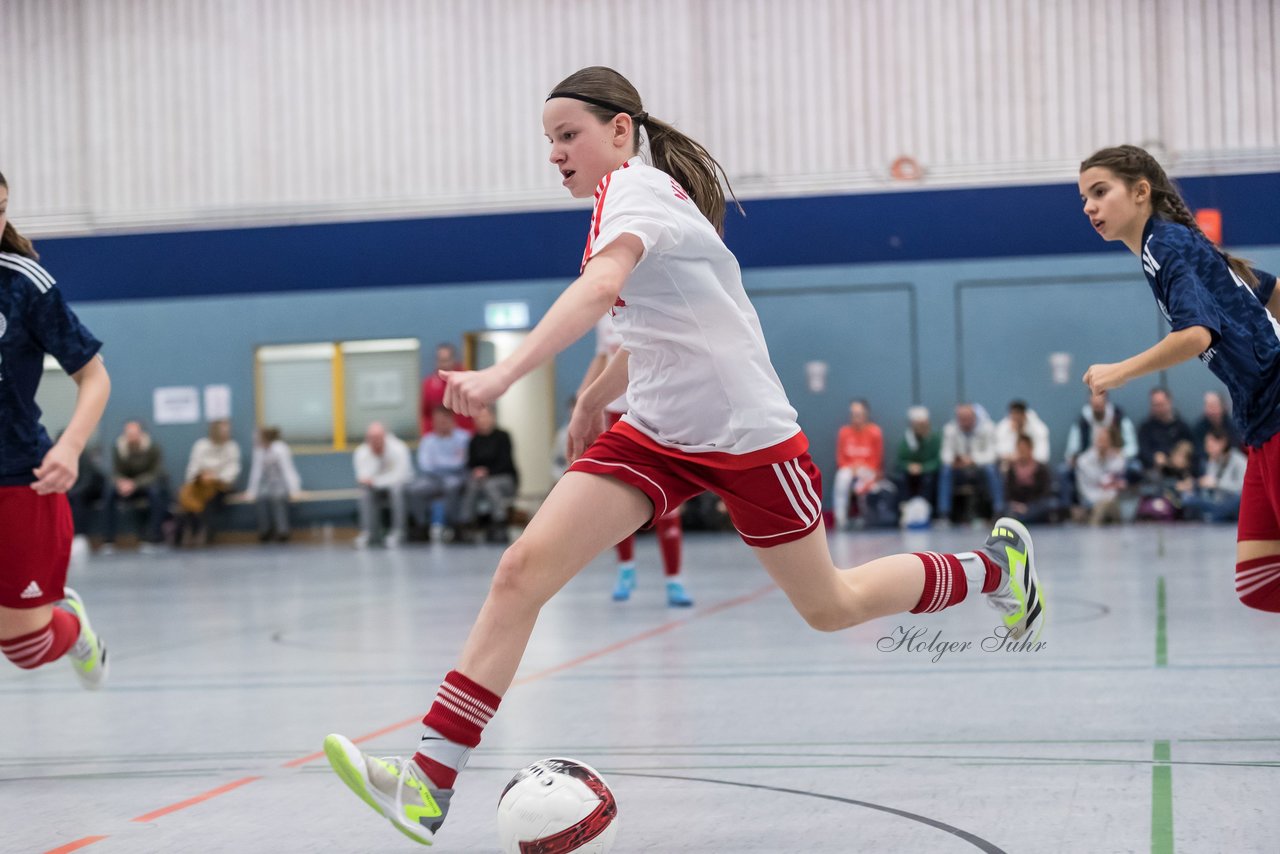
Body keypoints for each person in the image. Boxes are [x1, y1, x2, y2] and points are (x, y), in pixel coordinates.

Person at [322, 66, 1045, 846]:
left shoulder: (635, 193)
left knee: (830, 605)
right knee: (520, 572)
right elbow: (658, 326)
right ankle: (427, 785)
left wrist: (502, 375)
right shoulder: (623, 200)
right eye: (550, 141)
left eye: (570, 135)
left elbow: (601, 295)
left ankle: (997, 571)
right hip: (659, 434)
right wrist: (595, 396)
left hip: (746, 437)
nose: (557, 153)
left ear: (621, 131)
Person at [1079, 143, 1280, 609]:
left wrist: (1120, 371)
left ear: (1140, 192)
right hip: (1259, 420)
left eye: (1100, 191)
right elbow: (1266, 290)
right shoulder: (1173, 242)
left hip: (1275, 403)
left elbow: (1196, 335)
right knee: (1258, 584)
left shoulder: (1163, 244)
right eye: (1084, 198)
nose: (1089, 206)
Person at [0, 170, 110, 688]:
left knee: (28, 648)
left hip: (19, 476)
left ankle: (71, 626)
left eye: (0, 208)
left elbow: (94, 377)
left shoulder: (24, 283)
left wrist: (70, 446)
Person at [581, 312, 691, 605]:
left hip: (654, 412)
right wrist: (585, 397)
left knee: (668, 504)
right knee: (615, 497)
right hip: (615, 414)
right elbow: (603, 358)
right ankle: (626, 569)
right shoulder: (604, 317)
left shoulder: (651, 305)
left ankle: (674, 580)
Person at [1060, 387, 1139, 508]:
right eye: (1094, 405)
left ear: (1106, 402)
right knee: (1064, 470)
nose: (1097, 407)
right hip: (1089, 462)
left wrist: (1119, 453)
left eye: (1100, 404)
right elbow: (1072, 449)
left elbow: (1132, 447)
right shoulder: (1082, 421)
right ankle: (1070, 509)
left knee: (1135, 468)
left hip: (1115, 460)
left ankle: (1126, 507)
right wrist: (1074, 458)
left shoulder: (1119, 417)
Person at [101, 420, 169, 552]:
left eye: (134, 433)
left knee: (156, 495)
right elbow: (115, 471)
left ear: (141, 433)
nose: (131, 436)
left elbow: (155, 472)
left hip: (145, 484)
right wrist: (121, 482)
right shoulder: (118, 447)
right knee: (108, 494)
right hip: (124, 486)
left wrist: (135, 484)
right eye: (128, 433)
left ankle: (153, 538)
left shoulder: (152, 447)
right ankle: (108, 540)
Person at [408, 406, 471, 542]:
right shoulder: (428, 440)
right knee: (415, 489)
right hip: (432, 479)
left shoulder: (463, 438)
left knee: (451, 486)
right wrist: (450, 462)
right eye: (437, 420)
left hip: (456, 477)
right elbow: (425, 465)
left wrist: (438, 462)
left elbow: (461, 462)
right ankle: (421, 526)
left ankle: (454, 526)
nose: (440, 423)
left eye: (443, 420)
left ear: (451, 420)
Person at [457, 407, 519, 544]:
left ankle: (499, 523)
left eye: (485, 417)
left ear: (493, 418)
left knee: (490, 484)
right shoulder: (474, 440)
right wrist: (476, 471)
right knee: (471, 485)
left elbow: (506, 462)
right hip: (480, 480)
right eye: (479, 418)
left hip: (504, 478)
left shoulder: (503, 437)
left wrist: (487, 472)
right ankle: (466, 524)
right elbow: (471, 463)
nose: (482, 420)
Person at [177, 419, 242, 546]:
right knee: (186, 496)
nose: (226, 433)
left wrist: (215, 477)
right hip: (199, 485)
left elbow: (233, 470)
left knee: (210, 498)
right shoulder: (201, 445)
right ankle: (189, 530)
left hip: (220, 486)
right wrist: (201, 477)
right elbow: (193, 467)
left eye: (227, 431)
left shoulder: (232, 447)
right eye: (223, 430)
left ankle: (204, 530)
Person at [938, 402, 1003, 522]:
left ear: (974, 417)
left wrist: (973, 459)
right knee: (946, 471)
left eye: (967, 418)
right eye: (961, 418)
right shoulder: (950, 429)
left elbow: (993, 454)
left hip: (979, 469)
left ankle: (998, 510)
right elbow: (945, 455)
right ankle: (944, 514)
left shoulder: (988, 428)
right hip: (959, 471)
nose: (964, 421)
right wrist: (956, 460)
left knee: (991, 469)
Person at [353, 421, 412, 549]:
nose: (375, 441)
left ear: (385, 436)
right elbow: (363, 478)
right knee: (364, 492)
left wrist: (376, 481)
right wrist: (376, 456)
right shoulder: (361, 452)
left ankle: (398, 532)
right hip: (376, 489)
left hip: (402, 487)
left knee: (396, 490)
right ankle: (369, 533)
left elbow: (399, 476)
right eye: (371, 439)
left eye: (378, 438)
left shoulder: (399, 448)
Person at [832, 399, 886, 530]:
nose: (856, 417)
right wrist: (851, 467)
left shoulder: (875, 431)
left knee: (862, 484)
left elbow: (877, 459)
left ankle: (865, 518)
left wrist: (863, 467)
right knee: (841, 479)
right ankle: (840, 519)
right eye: (853, 414)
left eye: (859, 414)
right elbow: (840, 459)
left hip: (868, 469)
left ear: (865, 414)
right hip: (849, 468)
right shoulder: (844, 432)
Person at [243, 426, 302, 542]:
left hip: (281, 482)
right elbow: (256, 472)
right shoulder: (258, 451)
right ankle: (265, 531)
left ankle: (282, 531)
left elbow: (288, 470)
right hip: (266, 483)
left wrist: (295, 490)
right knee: (261, 498)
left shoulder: (280, 449)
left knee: (278, 498)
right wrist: (251, 491)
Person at [1181, 428, 1248, 523]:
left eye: (1211, 445)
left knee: (1236, 501)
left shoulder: (1239, 460)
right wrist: (1196, 484)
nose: (1207, 448)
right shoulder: (1212, 461)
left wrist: (1217, 484)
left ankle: (1211, 516)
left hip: (1234, 503)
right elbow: (1208, 488)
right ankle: (1212, 516)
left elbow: (1243, 488)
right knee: (1188, 497)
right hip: (1216, 502)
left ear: (1222, 443)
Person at [1136, 387, 1196, 480]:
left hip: (1179, 471)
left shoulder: (1182, 426)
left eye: (1161, 404)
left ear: (1169, 402)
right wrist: (1153, 457)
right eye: (1155, 405)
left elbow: (1191, 448)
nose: (1158, 408)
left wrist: (1180, 458)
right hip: (1154, 471)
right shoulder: (1146, 428)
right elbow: (1142, 450)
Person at [1074, 425, 1129, 525]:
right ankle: (1094, 528)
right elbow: (1084, 490)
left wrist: (1107, 497)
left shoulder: (1117, 459)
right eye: (1100, 439)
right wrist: (1101, 499)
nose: (1102, 443)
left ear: (1111, 441)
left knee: (1113, 506)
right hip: (1090, 498)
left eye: (1105, 440)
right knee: (1102, 507)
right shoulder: (1084, 461)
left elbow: (1118, 484)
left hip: (1111, 499)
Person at [420, 343, 474, 435]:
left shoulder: (465, 379)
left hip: (466, 435)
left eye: (446, 360)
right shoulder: (428, 384)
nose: (443, 364)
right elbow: (425, 414)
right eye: (440, 360)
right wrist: (428, 436)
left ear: (453, 360)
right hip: (439, 438)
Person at [895, 405, 941, 509]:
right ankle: (905, 508)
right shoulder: (907, 440)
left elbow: (938, 460)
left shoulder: (934, 438)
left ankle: (925, 508)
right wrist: (909, 467)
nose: (920, 427)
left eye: (923, 424)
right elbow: (900, 461)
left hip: (928, 471)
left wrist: (923, 468)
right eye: (917, 424)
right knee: (900, 476)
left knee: (928, 478)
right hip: (911, 472)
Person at [1004, 435, 1057, 524]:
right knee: (1004, 508)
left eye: (1024, 448)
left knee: (1050, 504)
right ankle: (1025, 519)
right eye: (1020, 449)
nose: (1022, 451)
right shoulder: (1011, 470)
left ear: (1030, 449)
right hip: (1017, 506)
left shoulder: (1041, 468)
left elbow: (1045, 493)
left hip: (1035, 505)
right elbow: (1008, 493)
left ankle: (1021, 519)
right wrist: (1017, 505)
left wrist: (1028, 507)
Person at [994, 400, 1050, 468]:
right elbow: (999, 452)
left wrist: (1024, 458)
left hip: (1033, 467)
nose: (1016, 418)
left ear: (1024, 415)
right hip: (1010, 466)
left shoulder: (1039, 429)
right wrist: (1014, 433)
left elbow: (1043, 456)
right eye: (1013, 414)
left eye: (1018, 414)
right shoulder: (1002, 428)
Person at [1192, 390, 1241, 463]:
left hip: (1229, 459)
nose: (1211, 411)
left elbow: (1236, 445)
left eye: (1214, 406)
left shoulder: (1233, 425)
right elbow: (1198, 449)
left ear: (1222, 407)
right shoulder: (1199, 427)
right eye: (1208, 406)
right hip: (1207, 459)